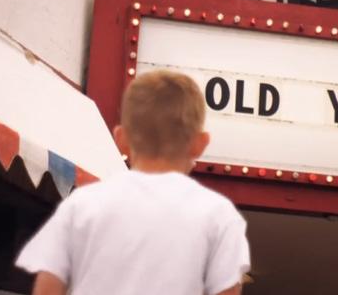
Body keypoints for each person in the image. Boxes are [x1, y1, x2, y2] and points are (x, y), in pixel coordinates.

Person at [15, 70, 251, 295]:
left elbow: (47, 288)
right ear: (201, 143)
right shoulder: (220, 216)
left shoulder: (81, 205)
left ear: (120, 139)